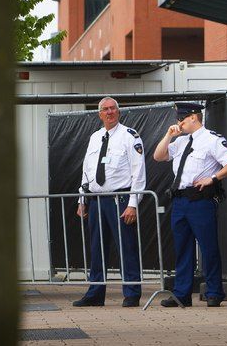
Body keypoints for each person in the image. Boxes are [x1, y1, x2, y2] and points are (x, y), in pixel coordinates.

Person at [153, 103, 227, 308]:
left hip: (200, 200)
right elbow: (158, 156)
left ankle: (214, 292)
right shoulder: (182, 141)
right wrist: (168, 136)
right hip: (180, 200)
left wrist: (213, 178)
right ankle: (181, 294)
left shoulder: (212, 139)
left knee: (208, 247)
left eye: (182, 119)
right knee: (182, 248)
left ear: (194, 117)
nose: (179, 123)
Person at [73, 97, 146, 308]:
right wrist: (82, 199)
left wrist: (133, 203)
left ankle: (132, 292)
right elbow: (87, 171)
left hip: (120, 199)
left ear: (119, 112)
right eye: (105, 109)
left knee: (127, 246)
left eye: (113, 108)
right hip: (96, 200)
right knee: (97, 248)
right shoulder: (95, 137)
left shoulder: (130, 136)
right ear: (99, 114)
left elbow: (138, 171)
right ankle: (96, 293)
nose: (109, 112)